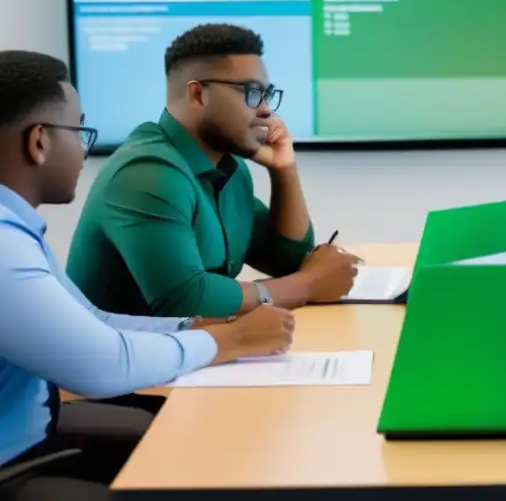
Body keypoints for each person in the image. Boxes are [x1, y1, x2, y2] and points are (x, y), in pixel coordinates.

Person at [0, 50, 296, 501]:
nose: (84, 149)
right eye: (79, 131)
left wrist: (193, 328)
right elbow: (99, 365)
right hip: (13, 465)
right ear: (39, 141)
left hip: (32, 434)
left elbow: (94, 320)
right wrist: (230, 341)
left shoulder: (14, 225)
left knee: (191, 444)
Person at [66, 24, 357, 318]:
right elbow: (187, 302)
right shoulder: (147, 174)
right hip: (130, 360)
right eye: (252, 93)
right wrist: (307, 284)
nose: (267, 110)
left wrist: (285, 170)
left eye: (268, 94)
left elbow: (290, 261)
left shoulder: (229, 168)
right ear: (197, 95)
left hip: (192, 354)